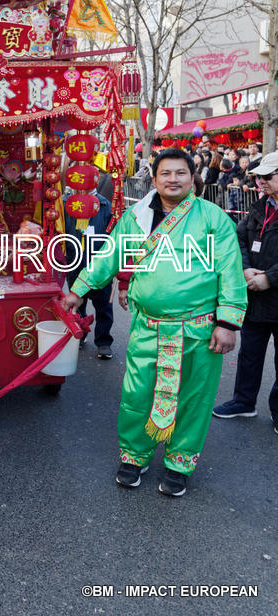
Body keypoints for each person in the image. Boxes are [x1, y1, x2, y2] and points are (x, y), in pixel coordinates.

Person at [62, 148, 247, 497]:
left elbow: (231, 271)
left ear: (194, 178)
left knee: (193, 398)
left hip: (200, 327)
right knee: (137, 394)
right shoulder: (137, 216)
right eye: (166, 173)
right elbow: (110, 254)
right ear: (154, 178)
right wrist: (79, 289)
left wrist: (229, 322)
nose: (173, 179)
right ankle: (134, 455)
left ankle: (180, 462)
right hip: (148, 326)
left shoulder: (213, 218)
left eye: (180, 173)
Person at [213, 151, 278, 434]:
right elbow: (239, 237)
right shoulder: (260, 206)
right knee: (250, 353)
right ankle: (243, 401)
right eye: (259, 177)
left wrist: (271, 278)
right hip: (255, 295)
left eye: (267, 177)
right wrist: (245, 269)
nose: (261, 182)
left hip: (271, 290)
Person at [65, 189, 114, 359]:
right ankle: (80, 333)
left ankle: (103, 342)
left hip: (99, 264)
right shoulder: (67, 202)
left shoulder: (105, 204)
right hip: (75, 262)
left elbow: (113, 232)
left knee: (104, 306)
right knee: (78, 304)